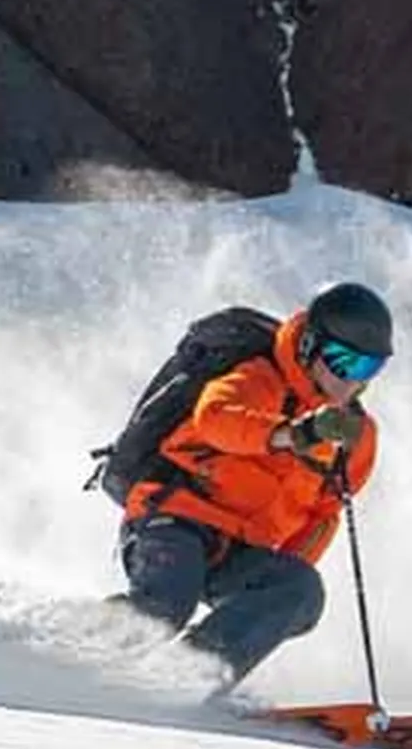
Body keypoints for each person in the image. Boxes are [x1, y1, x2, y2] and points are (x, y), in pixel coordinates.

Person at [115, 281, 391, 690]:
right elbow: (216, 419)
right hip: (177, 517)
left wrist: (271, 594)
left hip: (242, 550)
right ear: (309, 347)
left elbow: (322, 516)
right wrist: (292, 435)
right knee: (167, 603)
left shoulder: (356, 436)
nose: (350, 381)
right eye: (341, 361)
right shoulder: (260, 378)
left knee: (300, 589)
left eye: (367, 369)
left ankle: (187, 676)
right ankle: (75, 654)